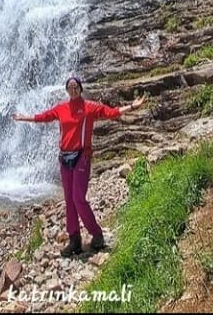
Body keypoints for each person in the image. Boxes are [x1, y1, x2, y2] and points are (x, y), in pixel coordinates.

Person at [12, 74, 146, 257]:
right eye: (70, 87)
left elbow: (110, 113)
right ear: (67, 90)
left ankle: (97, 234)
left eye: (76, 87)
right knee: (69, 200)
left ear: (81, 89)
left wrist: (131, 106)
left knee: (78, 198)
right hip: (64, 158)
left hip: (82, 157)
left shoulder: (89, 107)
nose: (73, 90)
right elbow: (44, 117)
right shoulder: (61, 108)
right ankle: (74, 239)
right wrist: (24, 118)